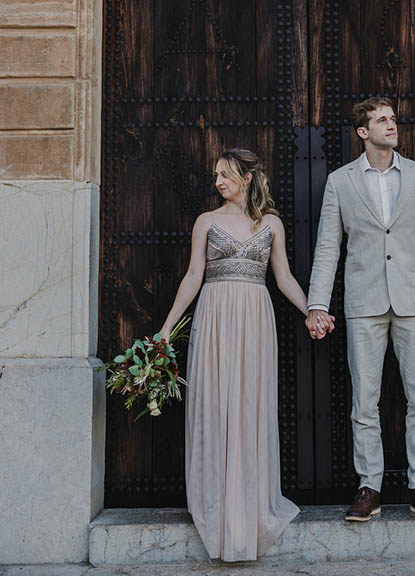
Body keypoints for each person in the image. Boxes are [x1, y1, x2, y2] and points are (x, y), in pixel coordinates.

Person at [157, 148, 332, 561]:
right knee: (216, 406)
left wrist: (313, 311)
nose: (219, 181)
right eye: (216, 175)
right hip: (215, 317)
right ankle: (217, 508)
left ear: (248, 178)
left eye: (227, 174)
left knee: (249, 408)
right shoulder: (206, 221)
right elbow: (194, 275)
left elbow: (283, 276)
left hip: (255, 317)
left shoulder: (270, 223)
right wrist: (166, 328)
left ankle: (250, 508)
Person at [306, 97, 415, 523]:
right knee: (364, 402)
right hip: (364, 302)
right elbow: (328, 247)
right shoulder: (341, 182)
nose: (392, 125)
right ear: (362, 132)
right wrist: (318, 304)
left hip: (414, 301)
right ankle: (368, 486)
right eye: (382, 120)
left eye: (393, 119)